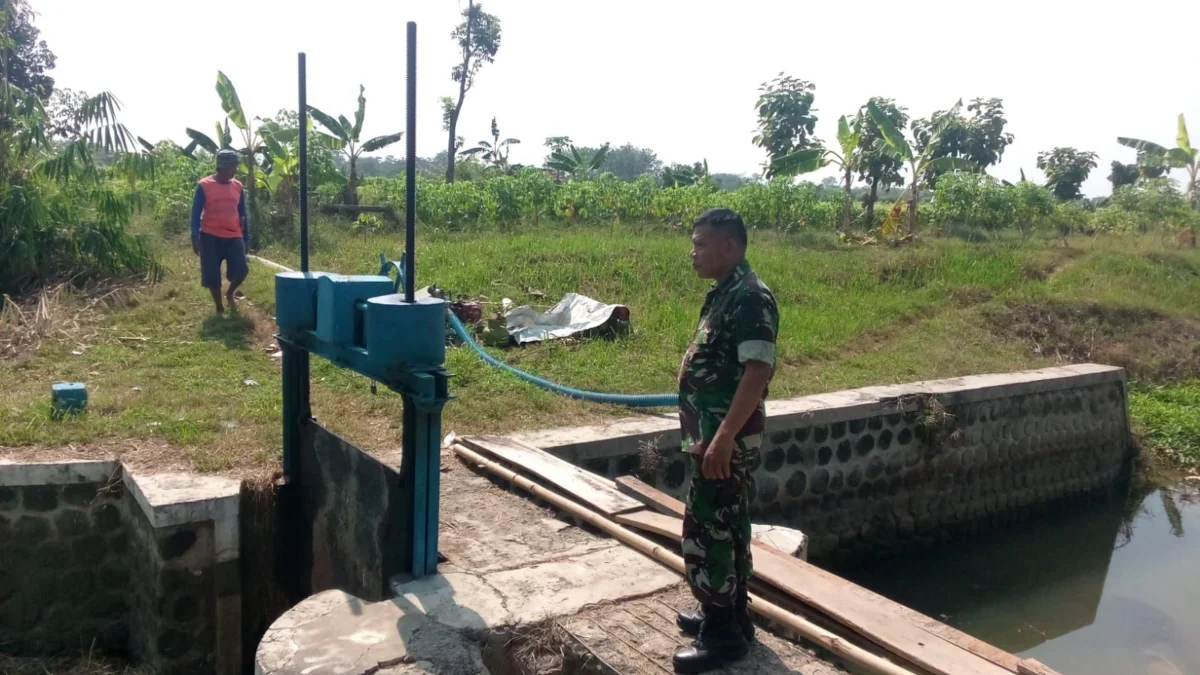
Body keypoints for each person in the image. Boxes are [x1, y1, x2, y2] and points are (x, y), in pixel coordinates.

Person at [672, 208, 778, 673]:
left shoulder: (751, 298)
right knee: (729, 525)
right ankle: (732, 616)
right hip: (713, 436)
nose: (692, 252)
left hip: (725, 440)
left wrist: (723, 438)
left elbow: (758, 369)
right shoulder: (726, 294)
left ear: (730, 247)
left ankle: (721, 637)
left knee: (707, 529)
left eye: (701, 244)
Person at [191, 149, 249, 314]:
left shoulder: (238, 186)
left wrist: (245, 237)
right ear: (222, 167)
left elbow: (242, 213)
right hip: (210, 236)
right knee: (212, 275)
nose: (235, 170)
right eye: (233, 167)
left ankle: (230, 293)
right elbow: (195, 213)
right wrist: (195, 237)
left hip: (234, 236)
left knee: (242, 270)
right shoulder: (204, 185)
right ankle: (219, 306)